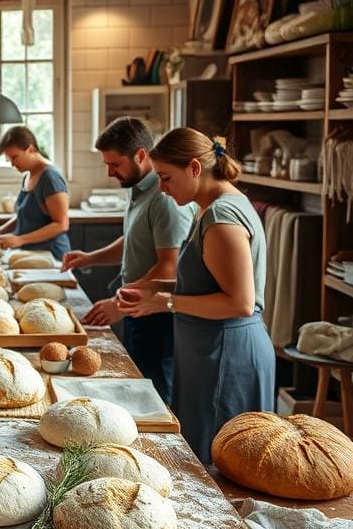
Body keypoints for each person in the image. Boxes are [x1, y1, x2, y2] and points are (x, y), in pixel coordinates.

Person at [116, 128, 275, 463]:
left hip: (226, 357)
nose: (161, 188)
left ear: (194, 168)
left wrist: (166, 302)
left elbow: (240, 303)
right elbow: (209, 284)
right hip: (210, 352)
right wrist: (154, 287)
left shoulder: (221, 218)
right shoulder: (215, 207)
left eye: (166, 178)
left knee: (219, 465)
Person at [61, 117, 195, 403]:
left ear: (141, 155)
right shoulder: (140, 192)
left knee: (154, 395)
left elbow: (169, 266)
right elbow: (133, 240)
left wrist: (121, 303)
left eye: (115, 164)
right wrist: (90, 259)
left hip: (156, 316)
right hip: (138, 308)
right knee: (140, 389)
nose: (110, 172)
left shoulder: (164, 199)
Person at [0, 125, 70, 260]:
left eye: (15, 157)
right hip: (31, 254)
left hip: (51, 256)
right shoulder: (29, 175)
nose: (12, 164)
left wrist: (20, 239)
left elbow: (61, 224)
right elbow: (27, 215)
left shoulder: (50, 177)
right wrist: (2, 229)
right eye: (9, 159)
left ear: (30, 149)